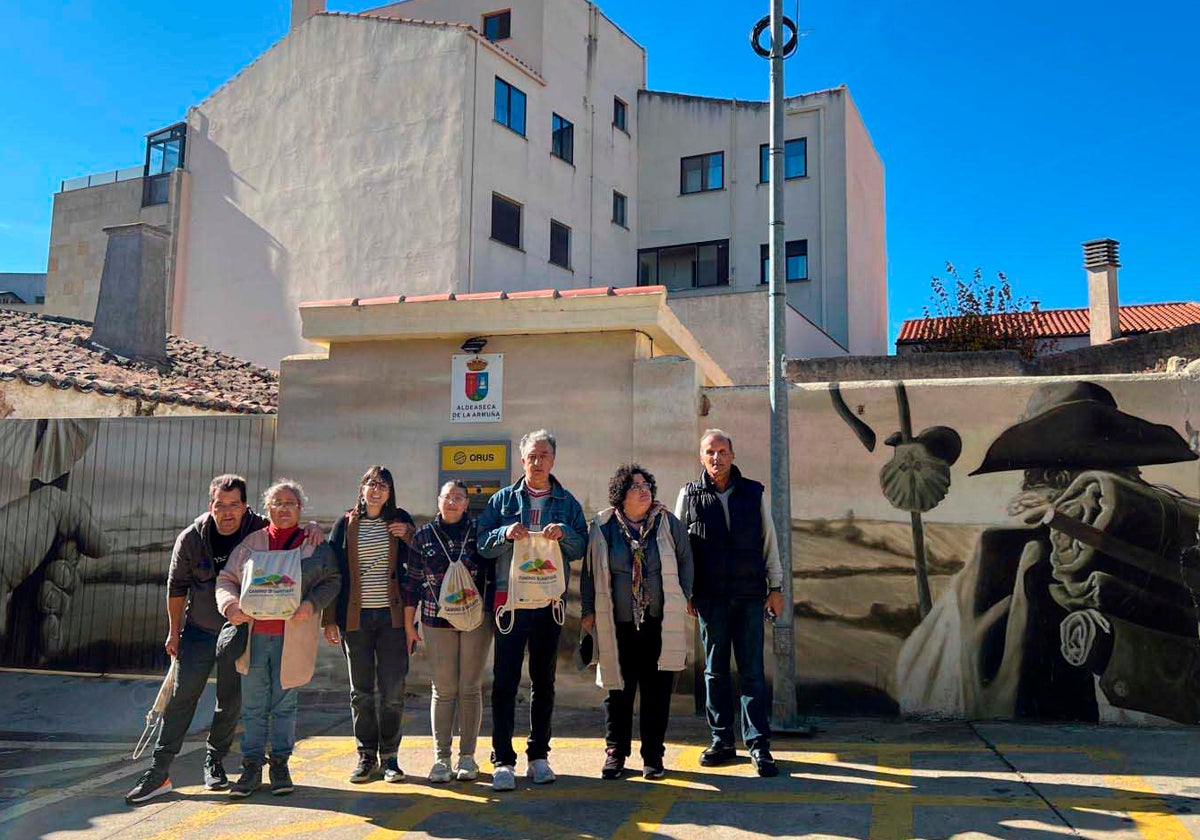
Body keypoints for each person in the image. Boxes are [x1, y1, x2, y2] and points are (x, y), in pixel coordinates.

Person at [124, 474, 321, 805]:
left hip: (242, 634)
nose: (227, 513)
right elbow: (176, 588)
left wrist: (312, 527)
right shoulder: (191, 538)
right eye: (220, 505)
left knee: (230, 702)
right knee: (182, 697)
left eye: (234, 505)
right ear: (209, 505)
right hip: (201, 630)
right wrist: (173, 632)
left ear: (245, 507)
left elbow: (287, 524)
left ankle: (214, 762)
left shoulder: (256, 530)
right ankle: (159, 773)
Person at [478, 429, 588, 791]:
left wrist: (566, 534)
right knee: (505, 682)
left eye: (544, 456)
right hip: (509, 602)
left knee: (544, 681)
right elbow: (483, 545)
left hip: (549, 603)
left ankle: (539, 756)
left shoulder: (567, 501)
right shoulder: (502, 501)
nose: (538, 462)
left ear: (553, 460)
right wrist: (505, 533)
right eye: (531, 456)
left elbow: (580, 547)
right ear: (522, 461)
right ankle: (502, 760)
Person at [216, 479, 340, 798]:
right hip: (255, 638)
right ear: (267, 508)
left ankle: (281, 764)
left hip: (292, 638)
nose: (284, 509)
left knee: (285, 704)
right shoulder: (251, 543)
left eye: (290, 503)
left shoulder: (312, 545)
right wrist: (230, 606)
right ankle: (251, 766)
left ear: (300, 509)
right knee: (254, 706)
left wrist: (311, 606)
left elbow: (331, 580)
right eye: (278, 503)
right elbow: (226, 579)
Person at [675, 429, 785, 778]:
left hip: (750, 596)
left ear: (733, 455)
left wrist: (777, 586)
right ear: (701, 457)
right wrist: (686, 591)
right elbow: (681, 551)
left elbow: (769, 541)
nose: (716, 458)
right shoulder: (688, 496)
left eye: (722, 451)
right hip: (709, 599)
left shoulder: (753, 493)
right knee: (715, 671)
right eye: (710, 452)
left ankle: (758, 745)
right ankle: (721, 740)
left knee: (752, 671)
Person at [582, 464, 693, 780]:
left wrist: (681, 595)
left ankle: (653, 756)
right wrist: (588, 612)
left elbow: (686, 561)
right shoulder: (602, 526)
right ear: (621, 494)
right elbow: (590, 574)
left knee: (657, 691)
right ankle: (615, 753)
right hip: (616, 622)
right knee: (618, 689)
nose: (643, 490)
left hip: (658, 621)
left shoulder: (667, 523)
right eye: (635, 486)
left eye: (647, 484)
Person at [321, 466, 416, 784]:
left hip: (392, 620)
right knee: (360, 692)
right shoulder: (346, 523)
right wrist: (329, 619)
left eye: (383, 486)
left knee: (392, 691)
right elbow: (331, 572)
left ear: (391, 492)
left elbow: (420, 561)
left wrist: (410, 535)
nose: (376, 490)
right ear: (361, 488)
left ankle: (390, 758)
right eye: (371, 484)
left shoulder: (400, 519)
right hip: (355, 619)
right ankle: (366, 757)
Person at [405, 480, 494, 783]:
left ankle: (467, 758)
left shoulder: (480, 531)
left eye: (459, 498)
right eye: (447, 497)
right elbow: (412, 582)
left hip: (475, 619)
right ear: (438, 501)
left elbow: (494, 571)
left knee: (470, 687)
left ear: (467, 503)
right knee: (443, 690)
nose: (453, 502)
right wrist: (409, 623)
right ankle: (441, 758)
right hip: (435, 620)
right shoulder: (423, 536)